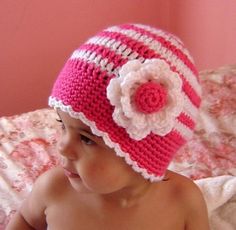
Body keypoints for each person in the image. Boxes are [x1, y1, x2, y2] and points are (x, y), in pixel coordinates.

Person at [6, 23, 210, 230]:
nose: (63, 147)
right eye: (63, 125)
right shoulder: (54, 189)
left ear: (142, 157)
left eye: (86, 139)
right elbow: (26, 222)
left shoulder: (182, 202)